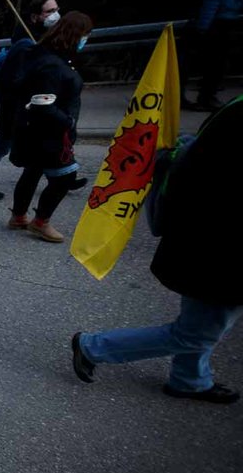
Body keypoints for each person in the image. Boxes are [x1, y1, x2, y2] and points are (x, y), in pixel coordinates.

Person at [71, 95, 243, 404]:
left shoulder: (236, 108)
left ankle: (189, 379)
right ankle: (93, 347)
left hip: (208, 246)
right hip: (217, 251)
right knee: (195, 332)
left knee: (205, 321)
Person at [7, 11, 94, 243]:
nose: (87, 40)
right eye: (85, 36)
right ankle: (40, 222)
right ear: (75, 36)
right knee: (65, 178)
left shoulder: (45, 55)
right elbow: (43, 104)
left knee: (32, 171)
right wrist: (68, 122)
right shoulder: (52, 65)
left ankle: (18, 216)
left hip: (37, 131)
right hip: (49, 135)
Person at [0, 0, 61, 200]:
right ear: (34, 16)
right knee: (2, 147)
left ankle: (60, 176)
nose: (55, 15)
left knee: (40, 144)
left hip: (29, 107)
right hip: (16, 109)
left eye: (56, 9)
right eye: (49, 11)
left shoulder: (40, 38)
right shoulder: (25, 45)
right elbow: (12, 81)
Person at [183, 0, 242, 111]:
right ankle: (206, 97)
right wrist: (204, 23)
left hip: (223, 14)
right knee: (216, 60)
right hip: (221, 16)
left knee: (213, 60)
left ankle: (203, 96)